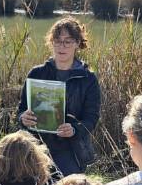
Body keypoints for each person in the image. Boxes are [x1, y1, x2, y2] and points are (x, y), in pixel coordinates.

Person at [18, 16, 101, 175]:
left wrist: (74, 129)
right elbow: (21, 110)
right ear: (51, 42)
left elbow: (91, 118)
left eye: (68, 41)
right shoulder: (36, 73)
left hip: (71, 148)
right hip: (36, 145)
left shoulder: (88, 79)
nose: (61, 46)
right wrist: (23, 118)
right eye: (57, 40)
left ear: (77, 43)